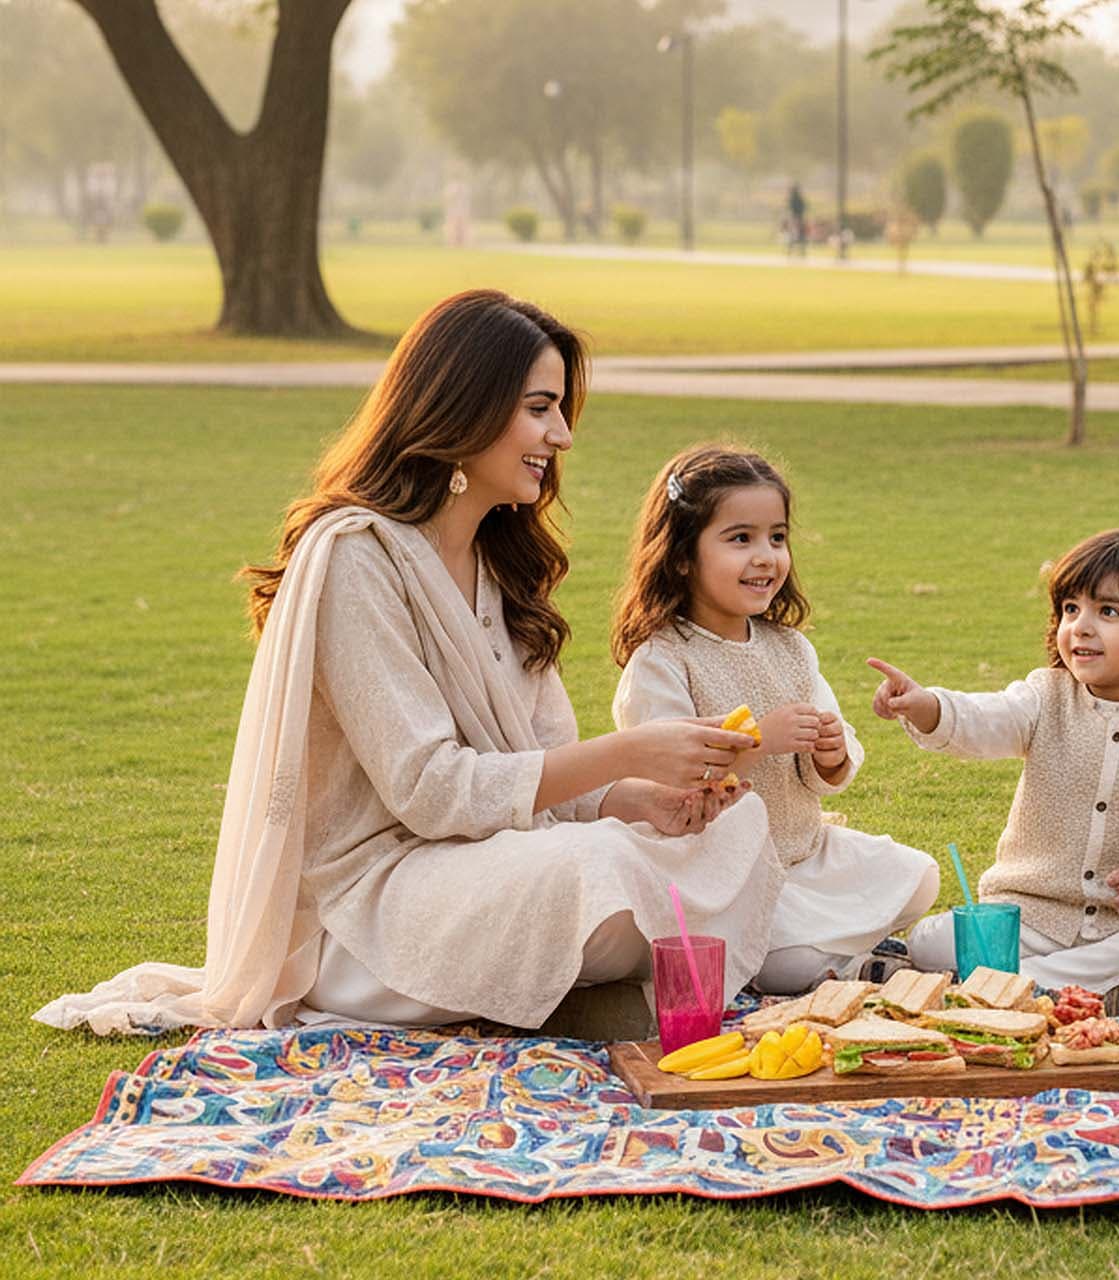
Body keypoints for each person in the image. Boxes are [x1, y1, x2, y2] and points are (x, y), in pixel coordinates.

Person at [34, 290, 784, 1040]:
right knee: (596, 872)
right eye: (539, 408)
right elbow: (430, 790)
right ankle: (549, 984)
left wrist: (637, 798)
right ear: (464, 408)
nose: (560, 436)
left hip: (493, 870)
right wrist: (626, 752)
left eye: (560, 412)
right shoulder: (357, 558)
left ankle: (552, 985)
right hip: (378, 904)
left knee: (728, 833)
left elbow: (543, 770)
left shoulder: (501, 566)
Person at [610, 444, 940, 994]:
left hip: (804, 850)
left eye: (777, 537)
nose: (766, 556)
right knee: (780, 959)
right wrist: (759, 740)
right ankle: (840, 965)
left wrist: (831, 753)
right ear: (683, 555)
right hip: (721, 871)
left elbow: (832, 769)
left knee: (919, 877)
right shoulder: (664, 660)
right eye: (741, 538)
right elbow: (665, 775)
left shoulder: (790, 648)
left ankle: (839, 951)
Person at [874, 529, 1119, 993]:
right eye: (1071, 609)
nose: (1080, 627)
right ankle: (1010, 979)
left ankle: (1013, 984)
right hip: (1028, 912)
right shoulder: (1045, 697)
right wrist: (928, 706)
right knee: (932, 941)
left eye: (1108, 611)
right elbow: (988, 719)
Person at [786, 182, 808, 257]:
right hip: (798, 218)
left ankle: (793, 251)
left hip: (796, 218)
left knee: (795, 235)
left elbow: (792, 209)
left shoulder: (794, 198)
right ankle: (801, 251)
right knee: (798, 235)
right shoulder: (798, 198)